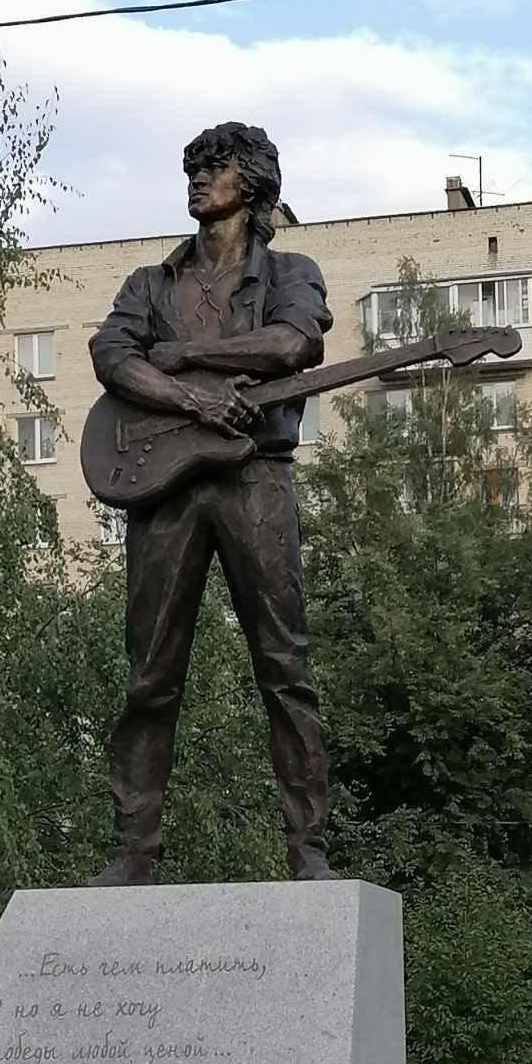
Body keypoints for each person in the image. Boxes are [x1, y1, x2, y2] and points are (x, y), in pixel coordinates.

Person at [87, 122, 334, 886]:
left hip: (256, 477)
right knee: (149, 676)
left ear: (252, 182)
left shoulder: (291, 269)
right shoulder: (150, 283)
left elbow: (292, 346)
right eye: (193, 168)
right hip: (164, 489)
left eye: (216, 168)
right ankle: (133, 852)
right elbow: (112, 356)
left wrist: (191, 354)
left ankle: (309, 851)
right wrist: (193, 405)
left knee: (283, 666)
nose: (198, 180)